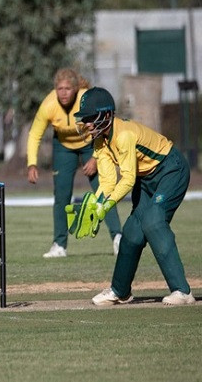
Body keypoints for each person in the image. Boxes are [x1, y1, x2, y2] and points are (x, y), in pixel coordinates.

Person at [73, 87, 195, 306]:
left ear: (107, 115)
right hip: (146, 178)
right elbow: (109, 182)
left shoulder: (125, 134)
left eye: (91, 118)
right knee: (132, 232)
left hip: (170, 169)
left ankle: (182, 291)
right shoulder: (100, 142)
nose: (87, 123)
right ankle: (120, 291)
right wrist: (95, 204)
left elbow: (127, 180)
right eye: (85, 118)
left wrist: (107, 205)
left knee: (154, 221)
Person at [27, 68, 122, 258]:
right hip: (63, 147)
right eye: (59, 88)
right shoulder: (49, 104)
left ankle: (118, 238)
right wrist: (32, 163)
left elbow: (105, 127)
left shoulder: (86, 98)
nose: (63, 93)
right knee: (61, 195)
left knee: (104, 190)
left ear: (76, 88)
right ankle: (59, 245)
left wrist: (96, 157)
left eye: (68, 88)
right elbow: (35, 134)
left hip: (92, 143)